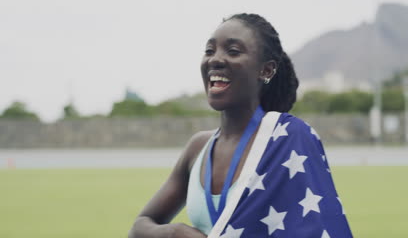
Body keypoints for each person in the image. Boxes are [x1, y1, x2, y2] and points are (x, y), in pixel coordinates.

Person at [128, 13, 353, 238]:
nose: (215, 59)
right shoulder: (198, 148)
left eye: (233, 51)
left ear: (266, 70)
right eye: (209, 50)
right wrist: (174, 233)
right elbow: (139, 227)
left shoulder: (290, 139)